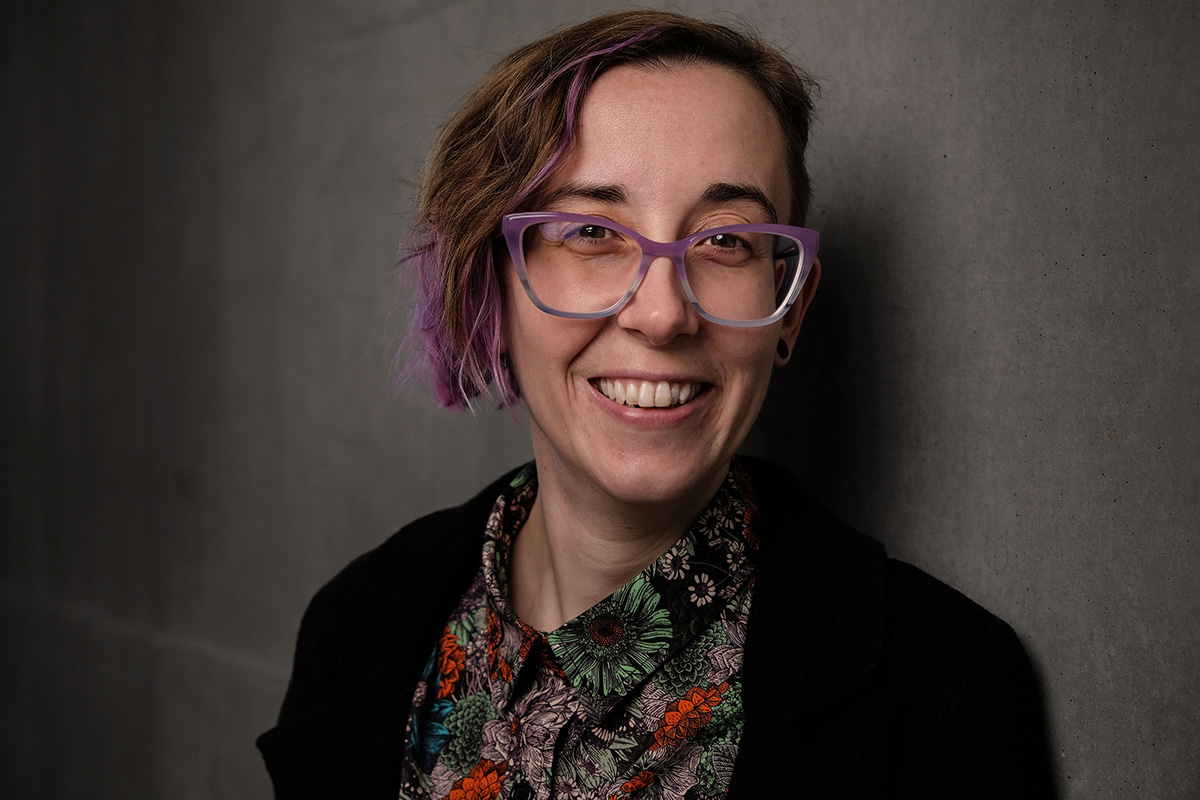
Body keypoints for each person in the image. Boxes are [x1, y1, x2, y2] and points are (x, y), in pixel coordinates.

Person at [257, 10, 1055, 799]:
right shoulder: (356, 625)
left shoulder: (943, 692)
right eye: (592, 233)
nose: (664, 314)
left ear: (791, 310)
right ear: (490, 288)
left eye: (724, 241)